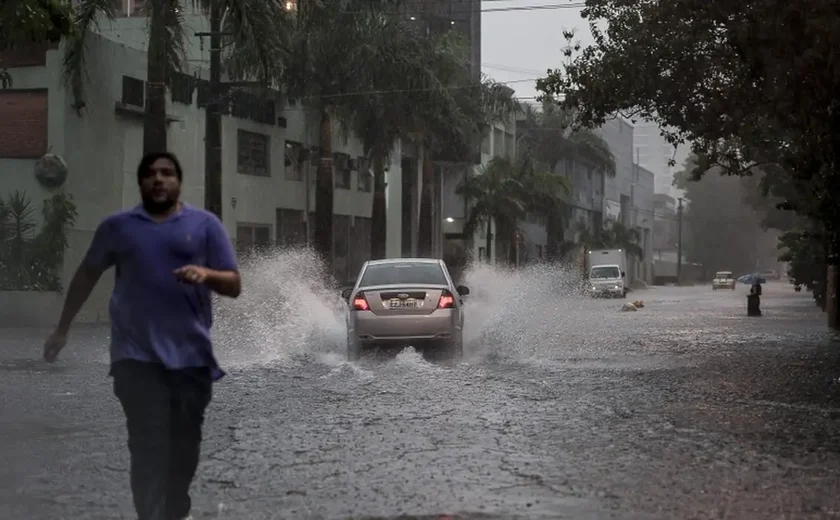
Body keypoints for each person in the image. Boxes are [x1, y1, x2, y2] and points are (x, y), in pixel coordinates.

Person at [42, 151, 241, 520]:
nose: (158, 179)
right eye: (150, 174)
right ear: (141, 183)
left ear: (179, 182)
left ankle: (175, 507)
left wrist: (205, 274)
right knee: (148, 446)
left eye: (167, 173)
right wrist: (62, 328)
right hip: (134, 359)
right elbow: (87, 275)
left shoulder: (205, 225)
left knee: (183, 450)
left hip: (191, 360)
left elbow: (233, 284)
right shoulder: (118, 228)